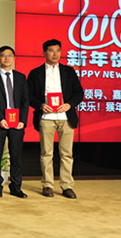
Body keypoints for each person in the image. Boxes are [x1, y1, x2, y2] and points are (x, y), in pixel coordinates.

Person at [27, 39, 84, 199]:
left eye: (58, 50)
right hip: (46, 117)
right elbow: (28, 95)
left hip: (65, 117)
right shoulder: (35, 73)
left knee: (67, 154)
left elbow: (79, 92)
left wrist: (69, 104)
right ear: (44, 53)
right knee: (46, 153)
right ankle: (48, 185)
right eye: (51, 50)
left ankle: (67, 186)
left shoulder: (69, 71)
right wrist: (40, 105)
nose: (55, 54)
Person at [0, 46, 29, 198]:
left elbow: (25, 101)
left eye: (10, 55)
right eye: (3, 55)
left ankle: (16, 186)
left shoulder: (21, 77)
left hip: (17, 123)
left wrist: (22, 120)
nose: (7, 58)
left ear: (14, 58)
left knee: (16, 156)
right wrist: (0, 119)